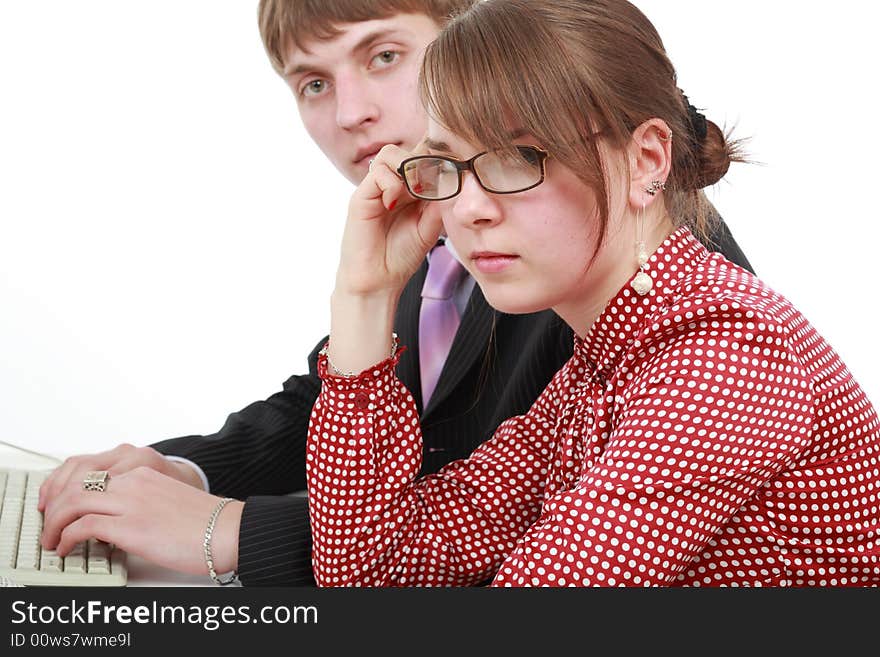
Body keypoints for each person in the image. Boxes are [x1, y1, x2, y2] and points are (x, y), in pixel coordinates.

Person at [36, 0, 753, 586]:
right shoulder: (590, 350)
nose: (350, 113)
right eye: (313, 83)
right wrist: (362, 295)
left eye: (383, 56)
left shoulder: (706, 342)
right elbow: (376, 562)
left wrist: (223, 529)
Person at [307, 0, 880, 587]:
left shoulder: (727, 353)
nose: (469, 209)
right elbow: (378, 575)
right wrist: (365, 293)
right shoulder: (599, 368)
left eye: (518, 157)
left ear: (645, 159)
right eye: (447, 162)